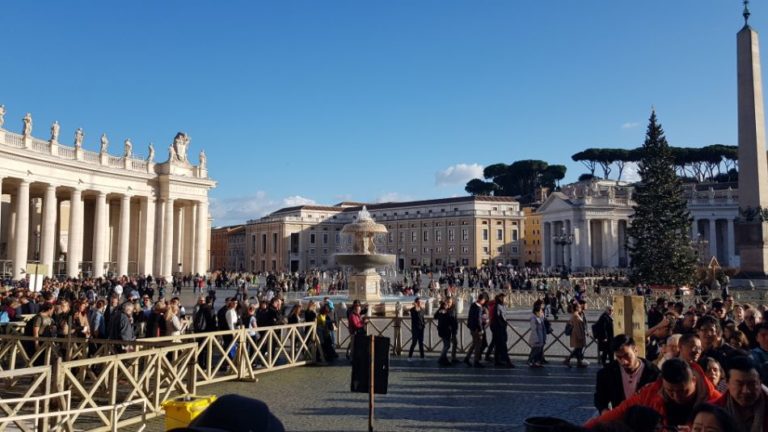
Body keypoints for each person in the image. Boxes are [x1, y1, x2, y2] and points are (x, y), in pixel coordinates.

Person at [585, 358, 721, 429]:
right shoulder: (651, 392)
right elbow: (618, 412)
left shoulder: (716, 401)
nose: (676, 396)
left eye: (682, 391)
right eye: (670, 391)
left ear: (694, 380)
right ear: (662, 382)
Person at [594, 335, 660, 414]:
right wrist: (604, 411)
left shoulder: (653, 372)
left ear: (635, 351)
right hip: (619, 417)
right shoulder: (606, 373)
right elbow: (600, 399)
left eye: (627, 356)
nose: (623, 361)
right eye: (619, 357)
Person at [464, 292, 488, 368]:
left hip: (472, 328)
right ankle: (476, 361)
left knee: (474, 344)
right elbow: (478, 320)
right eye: (484, 300)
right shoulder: (479, 307)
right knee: (478, 345)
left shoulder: (473, 305)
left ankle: (467, 358)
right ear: (483, 299)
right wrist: (481, 329)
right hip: (477, 329)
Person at [490, 292, 513, 367]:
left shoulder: (502, 306)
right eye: (503, 297)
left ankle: (497, 360)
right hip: (499, 328)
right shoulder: (498, 306)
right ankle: (507, 361)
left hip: (502, 327)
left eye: (504, 297)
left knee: (498, 345)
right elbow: (497, 317)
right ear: (500, 298)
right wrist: (502, 325)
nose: (504, 299)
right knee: (503, 345)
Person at [564, 301, 589, 368]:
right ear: (576, 308)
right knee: (578, 348)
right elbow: (576, 327)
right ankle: (569, 360)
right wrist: (580, 336)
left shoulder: (577, 314)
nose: (580, 308)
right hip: (577, 334)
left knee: (578, 349)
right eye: (579, 307)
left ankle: (578, 362)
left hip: (578, 333)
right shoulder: (576, 316)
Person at [528, 301, 547, 368]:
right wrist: (536, 338)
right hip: (536, 336)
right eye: (540, 312)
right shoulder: (533, 317)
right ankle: (530, 360)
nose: (541, 313)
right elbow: (533, 328)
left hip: (541, 334)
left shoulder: (540, 315)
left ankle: (536, 362)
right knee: (536, 349)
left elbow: (543, 325)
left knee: (539, 349)